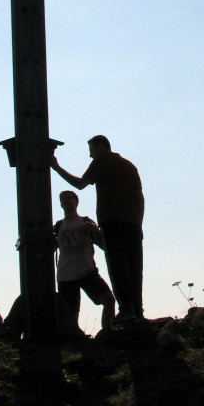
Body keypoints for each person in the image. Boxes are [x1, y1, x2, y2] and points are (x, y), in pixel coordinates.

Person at [51, 136, 144, 322]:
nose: (91, 156)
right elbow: (140, 196)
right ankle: (137, 311)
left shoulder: (102, 161)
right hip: (132, 224)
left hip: (112, 222)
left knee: (117, 267)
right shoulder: (129, 165)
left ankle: (126, 310)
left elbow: (80, 184)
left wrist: (56, 167)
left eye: (92, 151)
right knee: (134, 268)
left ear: (102, 147)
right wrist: (137, 222)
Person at [54, 190, 115, 332]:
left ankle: (107, 332)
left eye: (70, 198)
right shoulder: (58, 227)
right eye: (64, 199)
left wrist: (96, 231)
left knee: (108, 300)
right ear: (61, 204)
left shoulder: (86, 221)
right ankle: (76, 341)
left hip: (87, 271)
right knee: (71, 315)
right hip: (66, 276)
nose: (67, 201)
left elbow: (105, 246)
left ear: (77, 201)